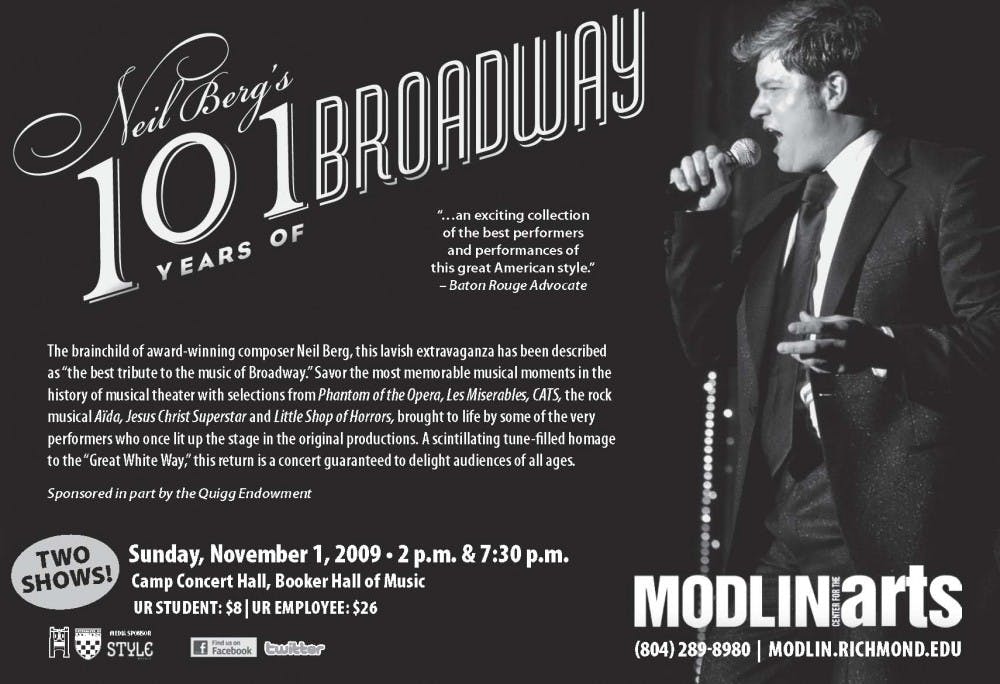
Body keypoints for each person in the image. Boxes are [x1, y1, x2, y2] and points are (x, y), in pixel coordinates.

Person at [664, 1, 1000, 681]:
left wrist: (883, 346)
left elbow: (991, 340)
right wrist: (702, 225)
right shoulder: (774, 212)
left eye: (772, 89)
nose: (756, 112)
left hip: (895, 537)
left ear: (835, 88)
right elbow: (706, 346)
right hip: (782, 527)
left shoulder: (948, 182)